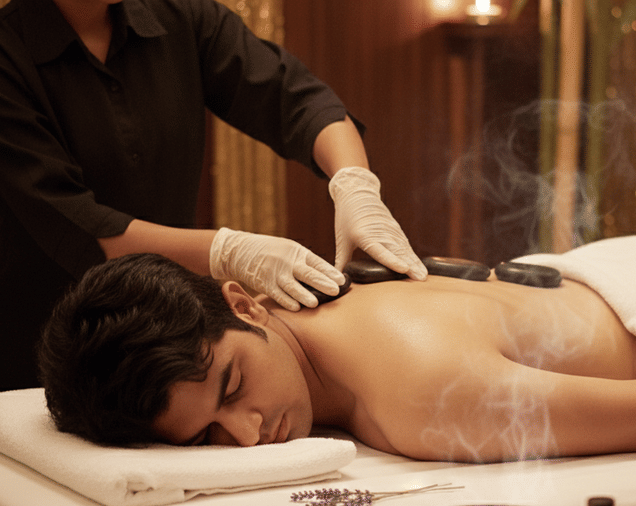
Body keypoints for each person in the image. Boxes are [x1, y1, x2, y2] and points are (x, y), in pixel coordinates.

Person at [38, 235, 636, 463]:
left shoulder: (414, 396)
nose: (250, 425)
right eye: (208, 436)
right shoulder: (324, 302)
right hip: (611, 272)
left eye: (232, 384)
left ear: (243, 303)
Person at [0, 0, 427, 391]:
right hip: (38, 352)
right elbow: (72, 222)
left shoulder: (178, 16)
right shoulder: (9, 53)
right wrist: (228, 251)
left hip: (174, 341)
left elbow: (295, 99)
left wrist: (355, 184)